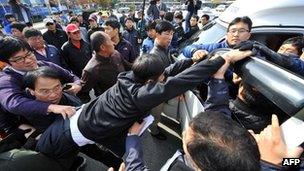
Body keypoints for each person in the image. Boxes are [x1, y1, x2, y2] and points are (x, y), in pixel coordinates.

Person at [35, 47, 251, 163]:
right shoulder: (140, 95)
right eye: (159, 78)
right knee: (52, 162)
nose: (162, 78)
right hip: (72, 134)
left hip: (88, 120)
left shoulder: (129, 77)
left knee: (120, 149)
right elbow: (177, 83)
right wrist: (223, 59)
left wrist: (192, 61)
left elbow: (167, 74)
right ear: (150, 81)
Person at [0, 36, 82, 126]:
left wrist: (77, 85)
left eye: (29, 54)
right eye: (19, 59)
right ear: (7, 63)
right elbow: (13, 103)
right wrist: (50, 107)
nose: (28, 60)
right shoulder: (7, 80)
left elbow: (72, 77)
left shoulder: (45, 65)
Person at [148, 21, 176, 139]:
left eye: (172, 34)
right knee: (155, 112)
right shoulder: (155, 54)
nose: (170, 37)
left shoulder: (165, 48)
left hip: (163, 87)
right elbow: (158, 78)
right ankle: (153, 130)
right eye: (167, 34)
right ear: (157, 34)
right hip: (156, 89)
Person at [80, 32, 126, 102]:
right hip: (110, 105)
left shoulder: (116, 54)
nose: (113, 43)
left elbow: (129, 67)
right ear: (102, 47)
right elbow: (83, 93)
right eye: (110, 40)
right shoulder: (91, 70)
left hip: (124, 96)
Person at [183, 16, 252, 58]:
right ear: (227, 33)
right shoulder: (216, 48)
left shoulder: (253, 53)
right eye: (233, 31)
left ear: (248, 35)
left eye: (241, 31)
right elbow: (187, 48)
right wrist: (195, 52)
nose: (236, 34)